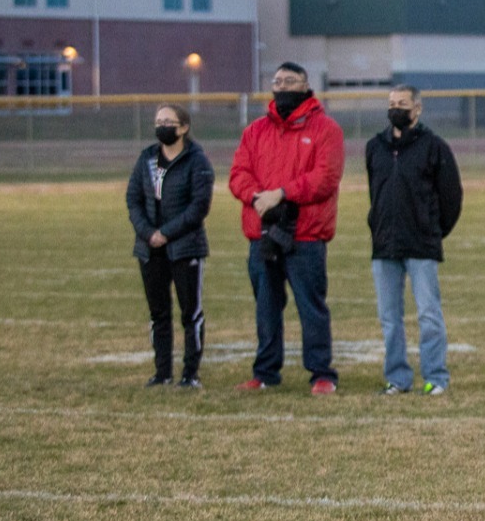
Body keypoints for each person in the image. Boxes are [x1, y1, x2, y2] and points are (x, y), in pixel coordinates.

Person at [228, 63, 345, 393]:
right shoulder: (255, 131)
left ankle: (322, 374)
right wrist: (255, 198)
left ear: (306, 85)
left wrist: (281, 194)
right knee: (265, 307)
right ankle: (265, 373)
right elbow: (238, 173)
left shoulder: (326, 129)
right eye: (277, 82)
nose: (281, 87)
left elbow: (325, 178)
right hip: (262, 233)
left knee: (311, 307)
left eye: (289, 82)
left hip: (305, 235)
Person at [366, 85, 463, 396]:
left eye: (402, 103)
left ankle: (435, 376)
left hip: (421, 243)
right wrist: (378, 226)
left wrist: (433, 230)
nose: (396, 108)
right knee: (389, 317)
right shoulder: (375, 147)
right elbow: (375, 194)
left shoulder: (434, 147)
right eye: (392, 103)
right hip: (385, 244)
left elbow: (451, 196)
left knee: (428, 314)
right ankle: (397, 378)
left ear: (417, 109)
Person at [126, 104, 214, 388]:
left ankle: (190, 374)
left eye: (168, 121)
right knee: (158, 313)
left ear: (184, 127)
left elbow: (198, 206)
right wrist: (147, 232)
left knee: (190, 313)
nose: (162, 126)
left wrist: (166, 232)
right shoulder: (147, 158)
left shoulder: (196, 160)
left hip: (185, 247)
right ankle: (162, 372)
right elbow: (133, 199)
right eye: (158, 121)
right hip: (149, 249)